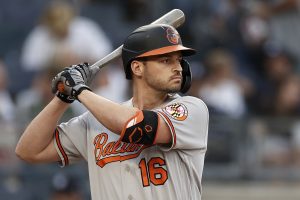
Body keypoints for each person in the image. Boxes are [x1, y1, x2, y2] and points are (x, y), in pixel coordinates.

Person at [15, 24, 209, 200]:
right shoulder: (95, 121)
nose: (177, 68)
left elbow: (139, 126)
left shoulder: (191, 110)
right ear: (137, 67)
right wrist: (63, 96)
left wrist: (80, 90)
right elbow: (29, 151)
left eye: (179, 60)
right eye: (166, 60)